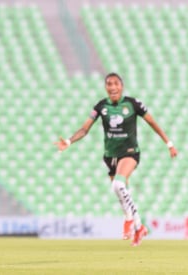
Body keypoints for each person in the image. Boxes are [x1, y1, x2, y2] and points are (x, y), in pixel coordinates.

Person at [55, 72, 177, 246]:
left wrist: (169, 143)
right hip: (110, 155)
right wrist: (68, 141)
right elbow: (84, 129)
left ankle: (131, 220)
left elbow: (152, 123)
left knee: (118, 184)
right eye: (109, 84)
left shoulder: (132, 104)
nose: (112, 87)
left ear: (121, 86)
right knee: (118, 191)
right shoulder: (101, 106)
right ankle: (139, 227)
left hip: (129, 152)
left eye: (115, 83)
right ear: (106, 87)